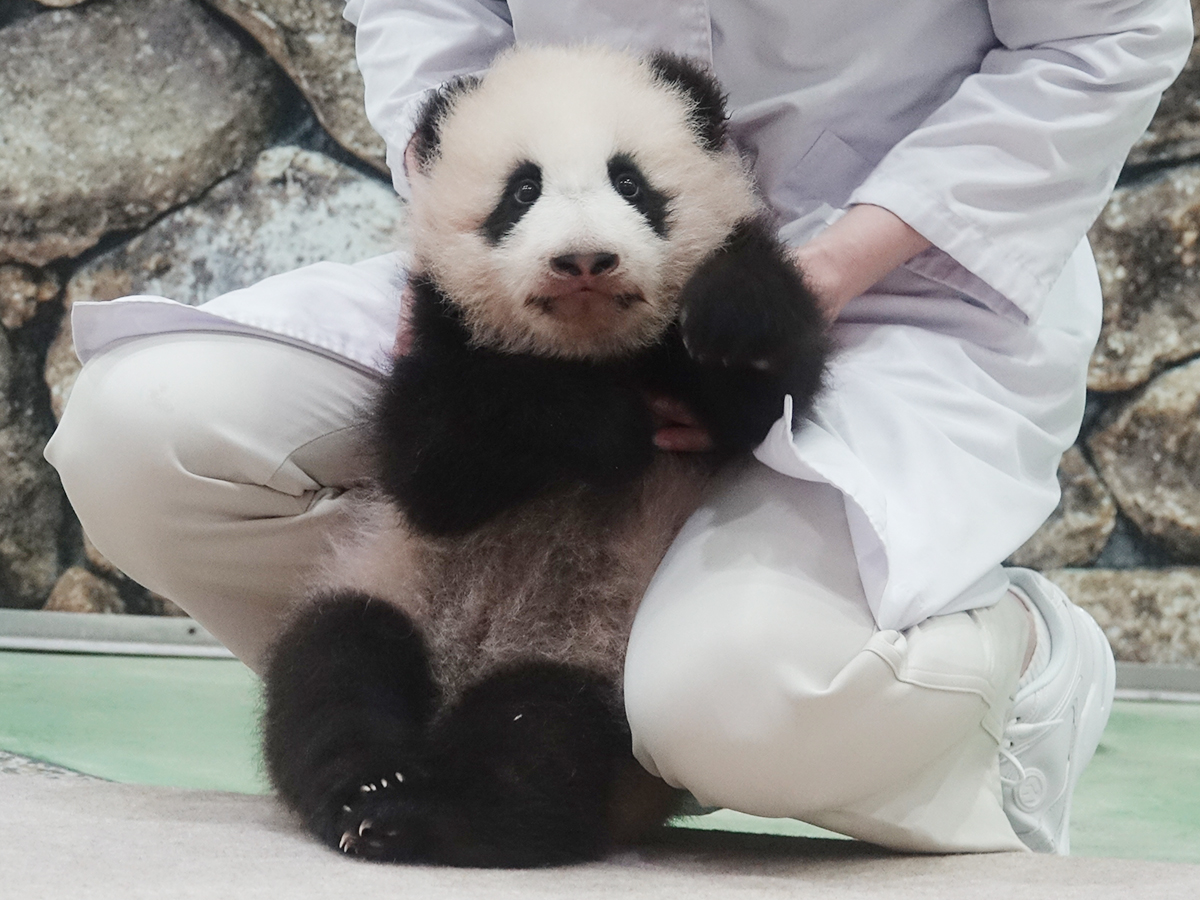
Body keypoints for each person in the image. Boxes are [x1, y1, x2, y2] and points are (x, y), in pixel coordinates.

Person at [45, 0, 1193, 855]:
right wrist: (453, 224)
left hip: (900, 275)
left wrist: (824, 270)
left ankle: (1006, 669)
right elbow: (426, 16)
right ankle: (456, 741)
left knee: (741, 699)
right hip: (510, 271)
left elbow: (1107, 33)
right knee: (146, 437)